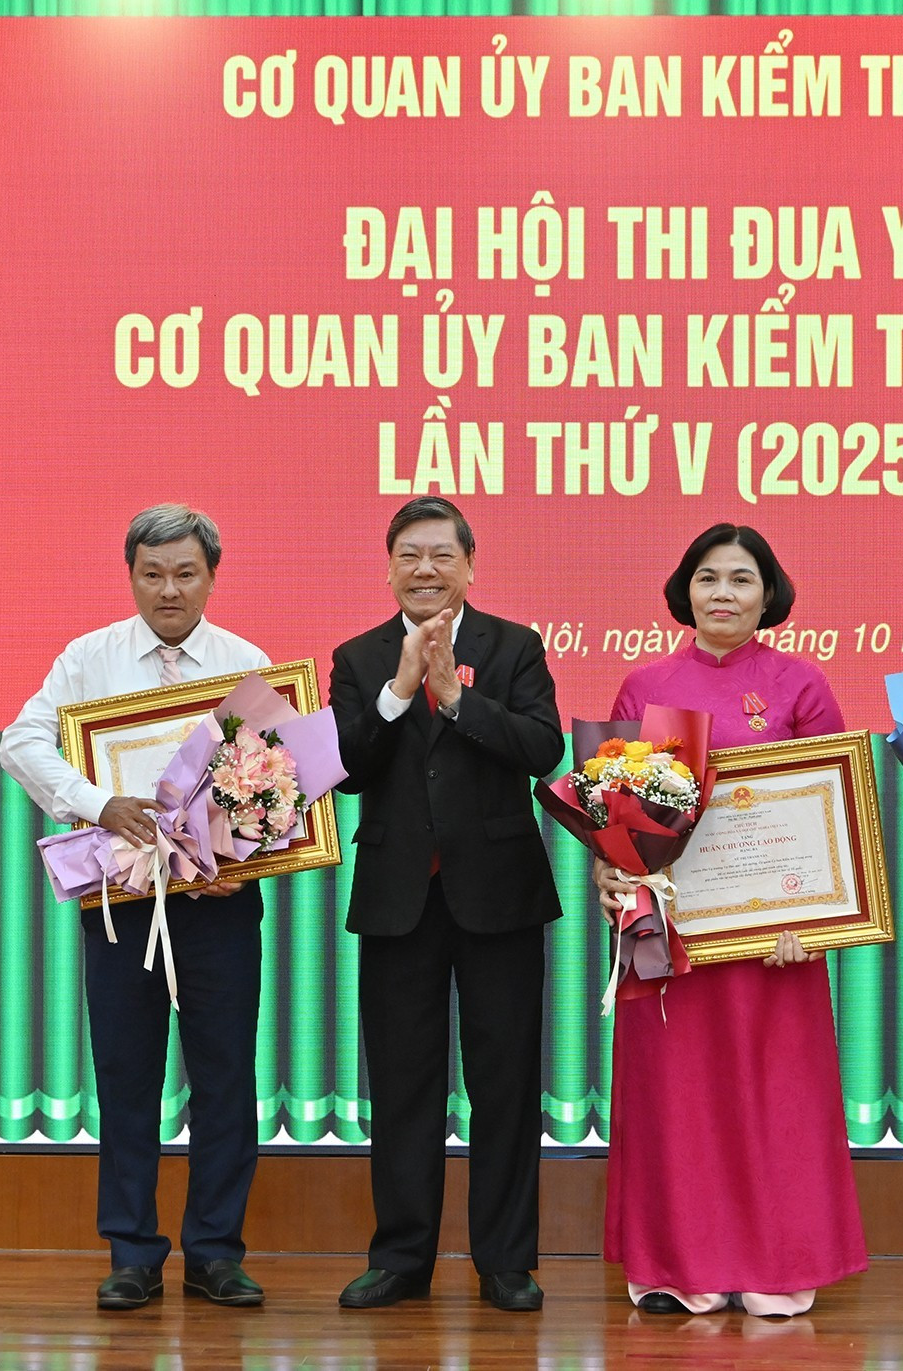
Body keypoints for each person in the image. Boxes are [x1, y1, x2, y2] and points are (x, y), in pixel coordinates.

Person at [594, 523, 869, 1317]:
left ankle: (776, 1263)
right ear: (684, 590)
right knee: (679, 1096)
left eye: (741, 579)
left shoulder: (800, 685)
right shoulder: (645, 686)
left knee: (770, 1095)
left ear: (768, 594)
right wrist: (610, 872)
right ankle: (680, 1263)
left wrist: (812, 916)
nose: (723, 593)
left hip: (772, 944)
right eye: (708, 577)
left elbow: (832, 814)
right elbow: (614, 816)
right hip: (673, 937)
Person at [0, 503, 269, 1311]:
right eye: (152, 573)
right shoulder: (90, 659)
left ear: (211, 576)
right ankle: (131, 1251)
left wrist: (241, 853)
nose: (169, 590)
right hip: (120, 902)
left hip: (219, 904)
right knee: (125, 1074)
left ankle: (216, 1251)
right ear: (132, 576)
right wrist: (95, 800)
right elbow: (21, 741)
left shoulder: (244, 662)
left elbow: (273, 785)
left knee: (225, 1077)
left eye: (186, 573)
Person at [329, 496, 564, 1314]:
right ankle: (401, 1257)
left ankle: (505, 1260)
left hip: (499, 896)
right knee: (402, 1086)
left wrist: (456, 700)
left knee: (505, 1083)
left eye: (440, 555)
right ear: (389, 566)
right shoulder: (358, 657)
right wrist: (398, 693)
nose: (424, 570)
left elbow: (544, 749)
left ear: (469, 564)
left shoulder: (514, 647)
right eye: (409, 556)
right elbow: (347, 769)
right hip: (399, 900)